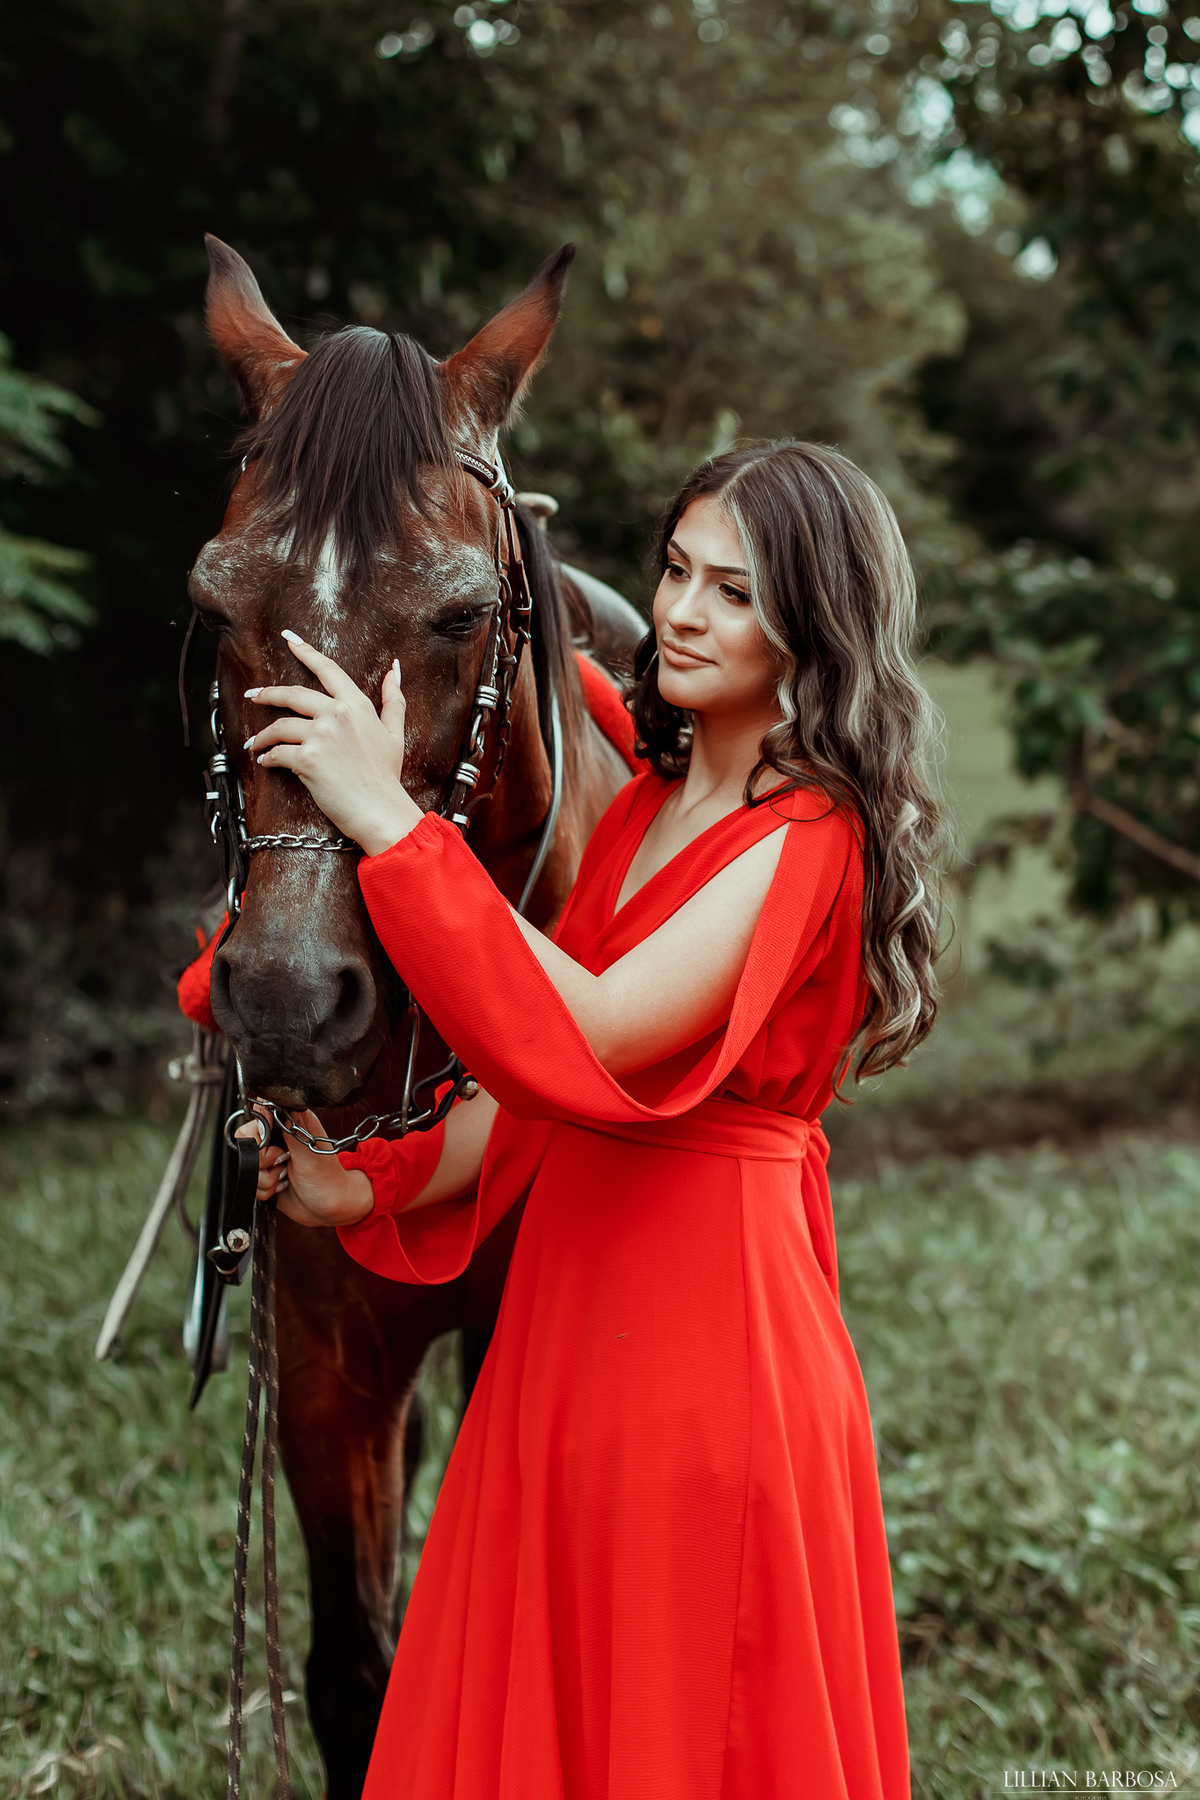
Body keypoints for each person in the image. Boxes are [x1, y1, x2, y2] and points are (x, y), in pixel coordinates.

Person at [240, 440, 941, 1799]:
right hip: (568, 1342)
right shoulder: (644, 811)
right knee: (547, 1713)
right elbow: (534, 1085)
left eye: (736, 592)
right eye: (677, 569)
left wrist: (389, 820)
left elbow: (598, 1033)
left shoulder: (812, 834)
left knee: (682, 1719)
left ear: (818, 624)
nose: (681, 612)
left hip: (708, 1345)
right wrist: (372, 1183)